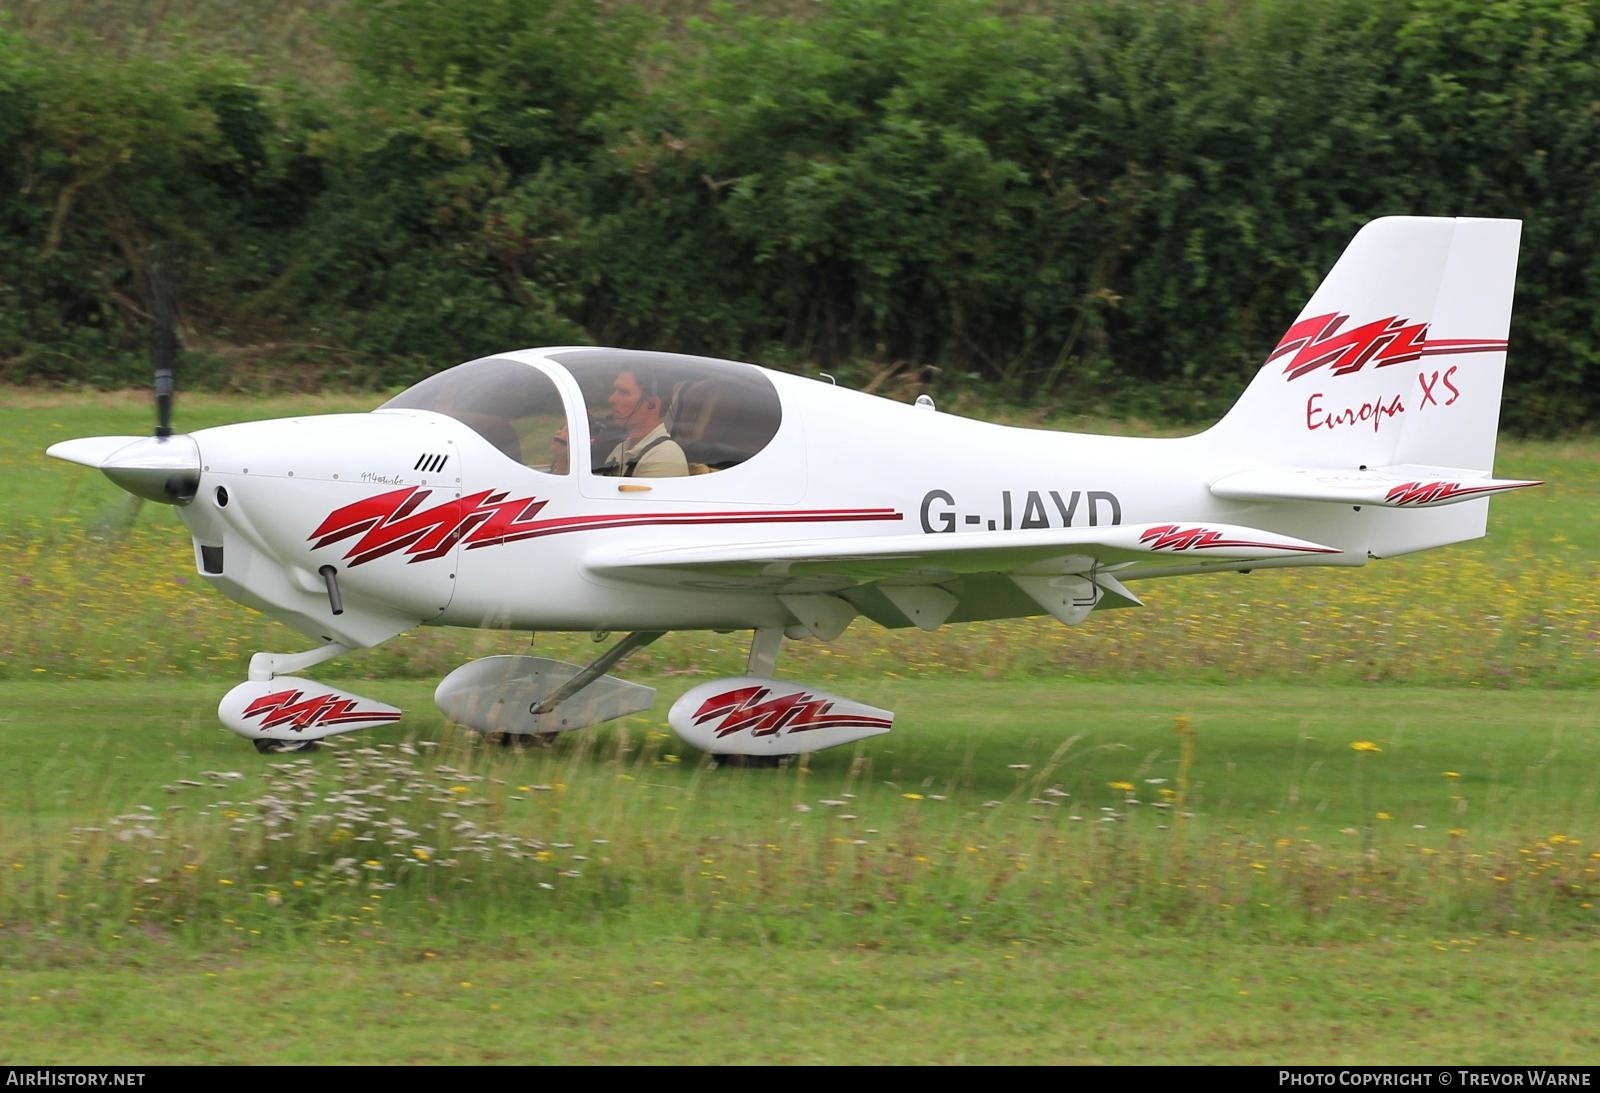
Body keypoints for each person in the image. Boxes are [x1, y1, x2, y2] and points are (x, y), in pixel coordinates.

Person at [597, 367, 688, 477]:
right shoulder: (621, 449)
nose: (612, 399)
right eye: (615, 391)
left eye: (624, 392)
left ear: (652, 404)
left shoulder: (665, 455)